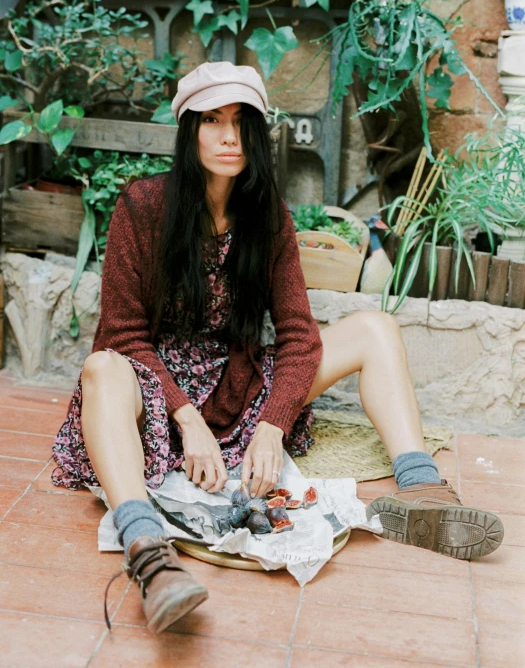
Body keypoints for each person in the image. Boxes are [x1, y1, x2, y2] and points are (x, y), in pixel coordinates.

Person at [51, 61, 504, 634]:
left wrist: (272, 424)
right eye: (212, 120)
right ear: (189, 130)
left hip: (238, 386)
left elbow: (297, 336)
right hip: (157, 399)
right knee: (99, 368)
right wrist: (185, 418)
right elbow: (120, 334)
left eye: (241, 122)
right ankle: (148, 551)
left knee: (375, 328)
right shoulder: (142, 207)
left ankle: (423, 490)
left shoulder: (269, 218)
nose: (228, 137)